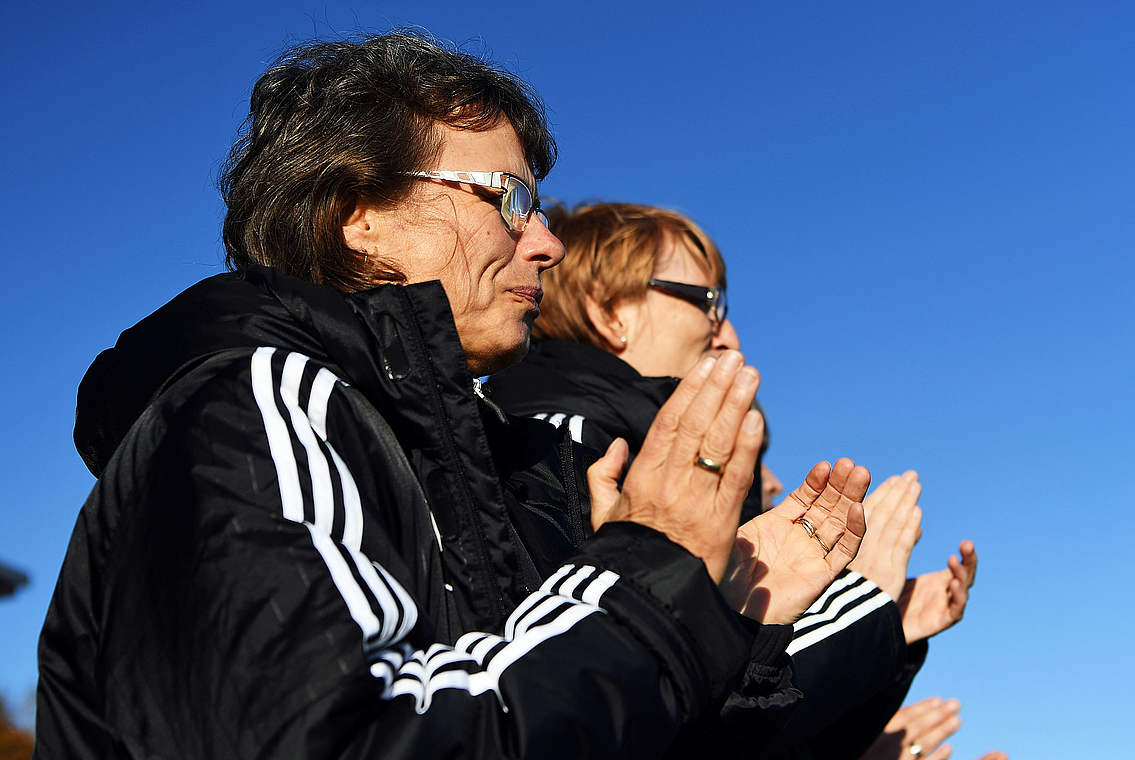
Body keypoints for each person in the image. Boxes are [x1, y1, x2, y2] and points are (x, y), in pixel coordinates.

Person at [35, 33, 869, 759]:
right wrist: (643, 581)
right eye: (509, 199)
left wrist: (724, 616)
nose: (545, 243)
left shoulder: (487, 457)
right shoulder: (253, 408)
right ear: (358, 210)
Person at [488, 202, 952, 757]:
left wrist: (884, 634)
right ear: (612, 313)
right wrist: (859, 605)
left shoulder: (623, 455)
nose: (727, 332)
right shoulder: (555, 453)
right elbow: (612, 716)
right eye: (707, 301)